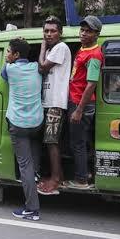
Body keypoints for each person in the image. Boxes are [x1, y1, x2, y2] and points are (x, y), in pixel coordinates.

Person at [1, 38, 44, 221]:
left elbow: (2, 76)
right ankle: (36, 176)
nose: (7, 54)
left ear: (16, 55)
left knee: (25, 166)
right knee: (33, 163)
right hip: (37, 123)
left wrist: (7, 61)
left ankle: (32, 209)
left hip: (19, 125)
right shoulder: (36, 67)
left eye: (9, 51)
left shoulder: (10, 69)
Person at [64, 15, 104, 190]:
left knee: (77, 143)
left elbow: (91, 84)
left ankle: (81, 180)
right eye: (82, 30)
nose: (84, 34)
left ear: (96, 34)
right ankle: (85, 172)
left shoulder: (94, 55)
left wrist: (79, 110)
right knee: (81, 141)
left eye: (89, 31)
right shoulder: (84, 49)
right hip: (76, 100)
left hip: (81, 104)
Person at [36, 16, 71, 195]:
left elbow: (42, 68)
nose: (49, 34)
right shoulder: (54, 50)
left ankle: (56, 179)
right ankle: (56, 176)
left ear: (60, 33)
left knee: (51, 141)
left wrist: (42, 47)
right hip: (49, 102)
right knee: (49, 141)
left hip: (56, 103)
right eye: (46, 31)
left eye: (53, 31)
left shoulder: (60, 47)